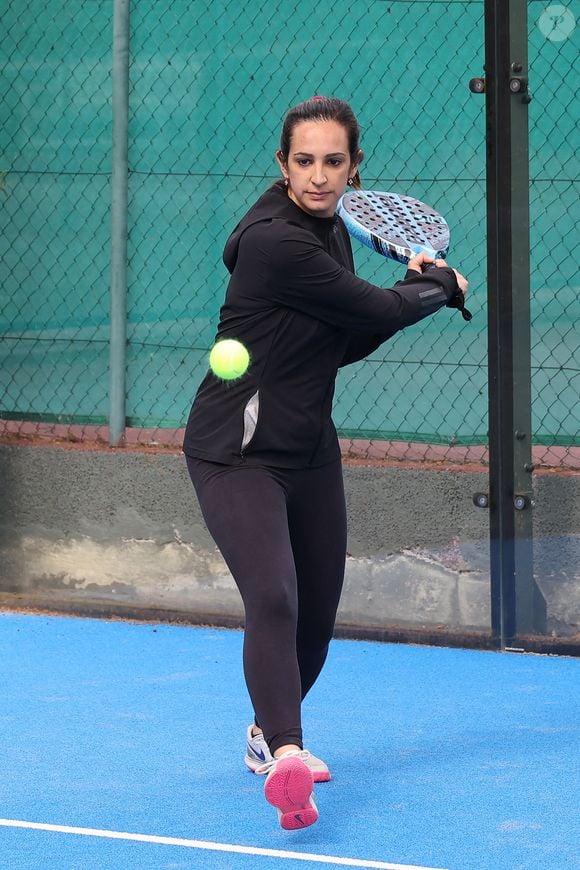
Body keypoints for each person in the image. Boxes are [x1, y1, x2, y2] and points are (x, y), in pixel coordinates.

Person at [183, 96, 468, 830]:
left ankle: (261, 732)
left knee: (315, 619)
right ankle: (287, 755)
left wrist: (419, 293)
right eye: (303, 161)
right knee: (274, 595)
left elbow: (348, 338)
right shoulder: (278, 242)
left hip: (309, 446)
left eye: (332, 162)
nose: (317, 176)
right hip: (237, 450)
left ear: (354, 167)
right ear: (282, 166)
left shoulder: (332, 231)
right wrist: (435, 286)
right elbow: (375, 312)